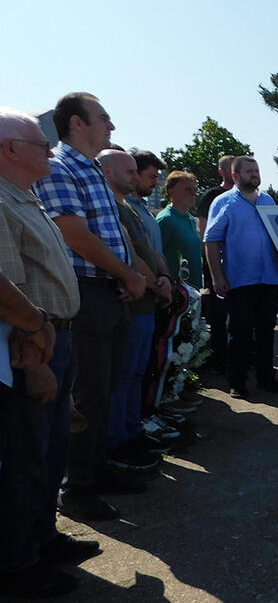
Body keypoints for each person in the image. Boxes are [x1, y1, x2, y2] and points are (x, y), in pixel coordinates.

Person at [35, 93, 147, 522]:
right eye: (104, 119)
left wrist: (132, 273)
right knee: (88, 395)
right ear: (77, 123)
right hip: (87, 293)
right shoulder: (61, 167)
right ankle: (77, 489)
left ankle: (96, 472)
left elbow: (115, 232)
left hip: (109, 291)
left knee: (106, 389)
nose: (111, 126)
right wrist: (128, 274)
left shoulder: (93, 171)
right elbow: (74, 235)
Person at [0, 107, 89, 597]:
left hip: (58, 337)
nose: (49, 150)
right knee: (27, 456)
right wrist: (34, 362)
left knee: (52, 450)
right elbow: (8, 291)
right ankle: (19, 563)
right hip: (35, 345)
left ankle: (43, 537)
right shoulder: (0, 202)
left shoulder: (24, 198)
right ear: (10, 150)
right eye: (40, 143)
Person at [98, 150, 173, 471]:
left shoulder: (127, 206)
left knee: (137, 373)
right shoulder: (110, 209)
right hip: (135, 301)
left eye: (134, 170)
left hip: (147, 299)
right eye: (128, 171)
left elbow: (149, 249)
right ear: (107, 173)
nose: (134, 175)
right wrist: (159, 284)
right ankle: (119, 440)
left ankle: (132, 430)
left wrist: (166, 277)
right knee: (125, 375)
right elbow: (129, 255)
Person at [204, 156, 278, 398]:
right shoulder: (223, 202)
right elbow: (211, 240)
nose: (255, 175)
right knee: (240, 333)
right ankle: (237, 382)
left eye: (257, 170)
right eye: (249, 171)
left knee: (266, 331)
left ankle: (265, 378)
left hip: (268, 278)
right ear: (235, 176)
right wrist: (217, 277)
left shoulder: (268, 200)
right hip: (240, 279)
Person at [197, 154, 235, 373]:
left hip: (239, 266)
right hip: (217, 266)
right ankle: (220, 358)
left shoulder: (247, 196)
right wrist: (214, 268)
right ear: (222, 171)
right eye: (230, 168)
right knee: (219, 315)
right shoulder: (212, 195)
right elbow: (204, 232)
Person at [157, 171, 202, 287]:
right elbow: (156, 255)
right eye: (187, 189)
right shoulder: (166, 219)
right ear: (171, 191)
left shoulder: (191, 219)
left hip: (193, 289)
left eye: (194, 189)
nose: (193, 193)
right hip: (176, 290)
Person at [127, 150, 167, 256]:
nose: (156, 182)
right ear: (136, 173)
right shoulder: (125, 208)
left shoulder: (144, 208)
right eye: (152, 177)